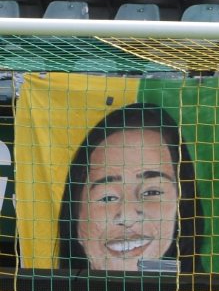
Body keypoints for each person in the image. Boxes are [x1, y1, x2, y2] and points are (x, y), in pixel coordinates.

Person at [57, 102, 204, 273]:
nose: (127, 217)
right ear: (76, 217)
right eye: (108, 197)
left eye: (151, 192)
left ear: (182, 205)